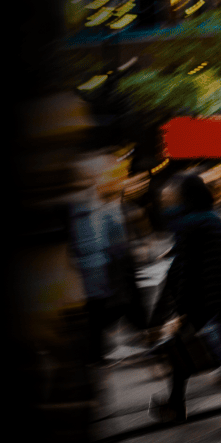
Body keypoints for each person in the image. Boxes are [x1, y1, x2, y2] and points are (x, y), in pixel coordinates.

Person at [147, 172, 221, 432]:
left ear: (185, 195)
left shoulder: (189, 222)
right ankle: (178, 404)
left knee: (186, 345)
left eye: (175, 191)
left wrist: (181, 311)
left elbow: (186, 270)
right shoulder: (210, 217)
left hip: (208, 297)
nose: (170, 196)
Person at [68, 153, 148, 363]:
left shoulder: (93, 201)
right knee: (108, 308)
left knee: (107, 308)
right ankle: (96, 354)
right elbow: (97, 238)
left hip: (106, 264)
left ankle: (98, 353)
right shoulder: (84, 203)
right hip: (100, 266)